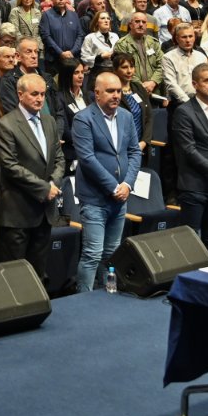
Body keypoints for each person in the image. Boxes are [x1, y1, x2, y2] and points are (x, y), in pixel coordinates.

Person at [0, 71, 66, 283]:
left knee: (38, 274)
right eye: (34, 94)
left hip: (44, 211)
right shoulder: (5, 125)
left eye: (42, 94)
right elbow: (10, 166)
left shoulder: (49, 121)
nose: (40, 98)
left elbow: (59, 158)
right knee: (15, 277)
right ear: (20, 94)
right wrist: (44, 188)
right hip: (17, 212)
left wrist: (53, 183)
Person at [69, 70, 141, 291]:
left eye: (119, 91)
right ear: (97, 93)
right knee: (93, 253)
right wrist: (114, 187)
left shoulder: (126, 116)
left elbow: (134, 152)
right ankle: (84, 300)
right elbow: (87, 159)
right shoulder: (83, 119)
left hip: (120, 198)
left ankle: (105, 298)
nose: (116, 95)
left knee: (112, 253)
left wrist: (127, 184)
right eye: (110, 91)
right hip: (95, 198)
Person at [169, 63, 208, 257]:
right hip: (194, 186)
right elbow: (188, 150)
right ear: (195, 84)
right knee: (189, 242)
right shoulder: (184, 112)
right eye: (207, 81)